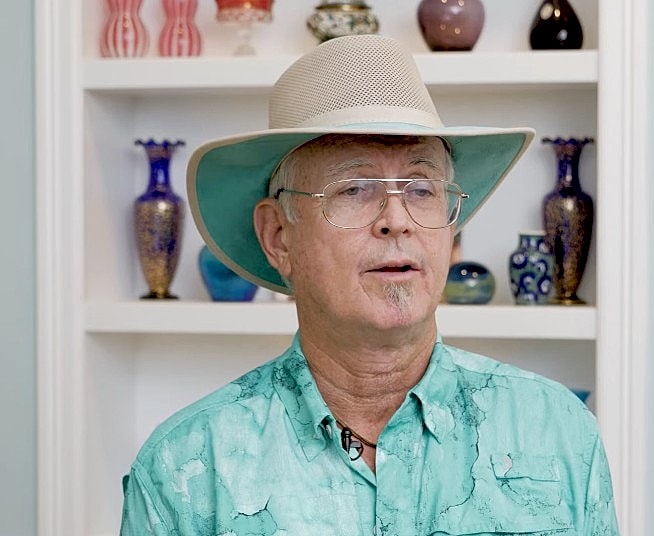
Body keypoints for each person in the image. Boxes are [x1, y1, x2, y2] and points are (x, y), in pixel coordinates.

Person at [120, 34, 619, 535]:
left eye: (422, 188)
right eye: (355, 189)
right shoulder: (185, 471)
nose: (397, 220)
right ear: (278, 237)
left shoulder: (557, 433)